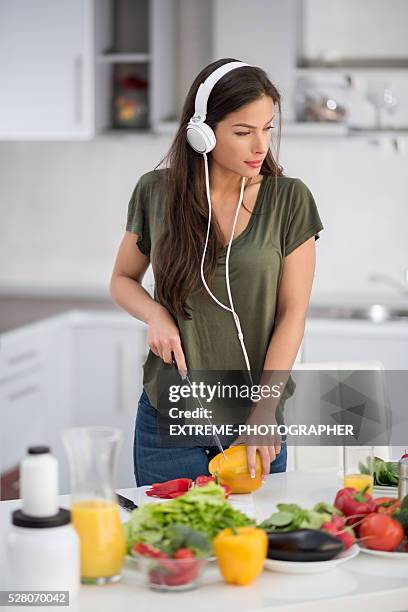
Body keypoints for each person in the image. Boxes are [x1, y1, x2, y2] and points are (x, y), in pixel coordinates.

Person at [109, 58, 324, 486]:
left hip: (254, 423)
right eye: (243, 133)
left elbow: (292, 315)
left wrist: (264, 412)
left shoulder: (290, 200)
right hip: (169, 422)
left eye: (267, 128)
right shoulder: (155, 192)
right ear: (202, 133)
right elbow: (122, 280)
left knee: (253, 548)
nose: (260, 146)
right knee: (172, 548)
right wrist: (155, 315)